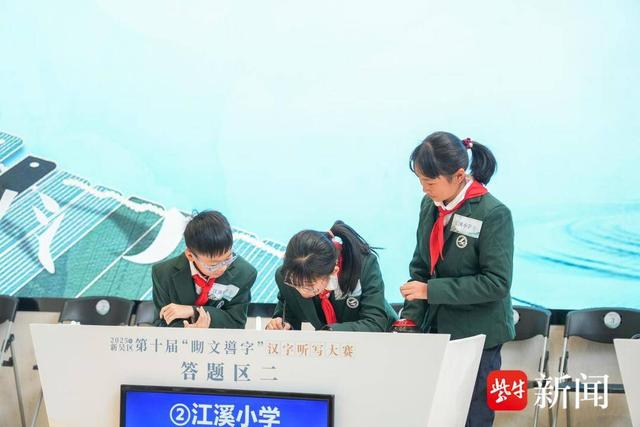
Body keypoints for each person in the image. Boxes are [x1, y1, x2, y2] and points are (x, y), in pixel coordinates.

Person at [395, 131, 515, 426]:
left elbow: (496, 283)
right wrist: (410, 320)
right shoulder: (430, 206)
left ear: (459, 175)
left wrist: (431, 291)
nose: (424, 189)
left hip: (478, 336)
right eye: (420, 181)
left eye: (430, 182)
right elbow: (421, 268)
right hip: (436, 331)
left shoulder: (493, 213)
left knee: (473, 417)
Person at [266, 220, 397, 332]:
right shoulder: (285, 276)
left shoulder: (364, 265)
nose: (302, 292)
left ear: (333, 271)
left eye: (310, 286)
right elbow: (289, 315)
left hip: (382, 341)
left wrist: (331, 333)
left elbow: (375, 322)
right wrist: (281, 325)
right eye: (294, 284)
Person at [152, 210, 257, 329]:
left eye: (227, 259)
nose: (222, 268)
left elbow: (236, 322)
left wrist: (194, 311)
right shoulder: (163, 273)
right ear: (190, 255)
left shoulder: (244, 273)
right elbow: (161, 322)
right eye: (213, 265)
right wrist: (186, 331)